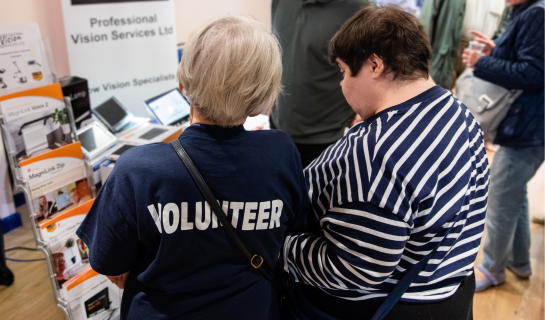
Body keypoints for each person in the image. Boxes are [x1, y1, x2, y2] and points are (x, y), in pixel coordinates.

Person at [76, 15, 309, 320]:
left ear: (182, 84)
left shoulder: (137, 170)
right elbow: (294, 231)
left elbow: (109, 264)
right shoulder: (280, 153)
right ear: (260, 97)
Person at [282, 6, 488, 319]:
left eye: (343, 71)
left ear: (374, 64)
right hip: (450, 290)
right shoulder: (456, 112)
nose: (341, 85)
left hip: (392, 304)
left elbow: (354, 270)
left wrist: (282, 247)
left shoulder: (375, 150)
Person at [462, 0, 544, 291]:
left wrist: (481, 62)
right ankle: (519, 261)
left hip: (528, 125)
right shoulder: (528, 11)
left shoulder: (537, 12)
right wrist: (497, 50)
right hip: (527, 124)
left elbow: (534, 72)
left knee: (499, 197)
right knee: (513, 193)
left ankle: (493, 268)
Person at [270, 0, 371, 167]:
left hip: (327, 139)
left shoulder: (358, 6)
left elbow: (374, 66)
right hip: (279, 129)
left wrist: (363, 110)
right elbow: (282, 49)